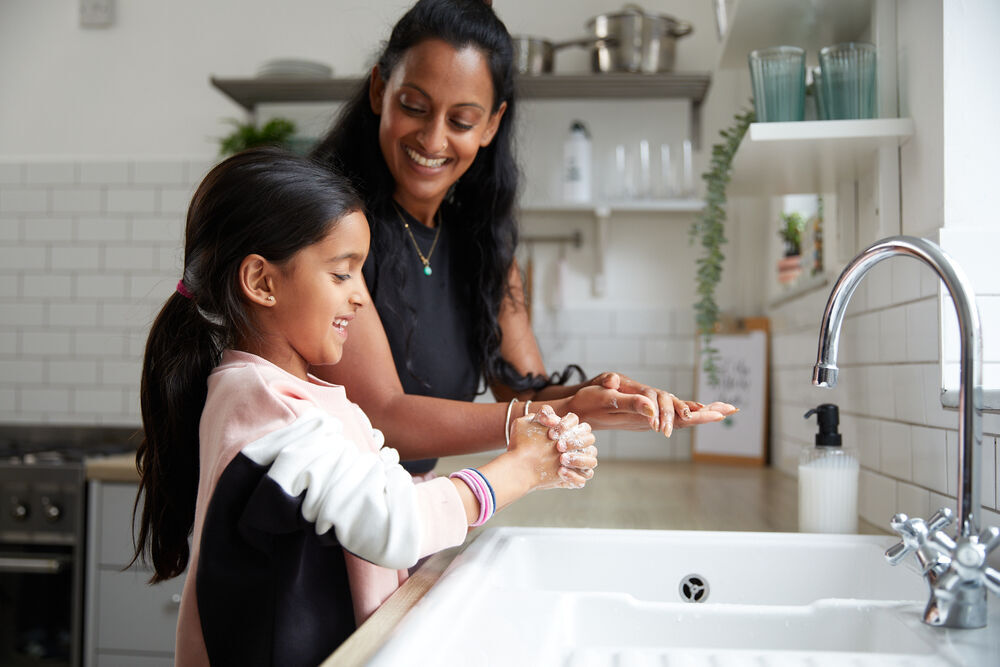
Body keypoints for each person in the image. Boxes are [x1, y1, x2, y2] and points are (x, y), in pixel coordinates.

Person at [131, 147, 597, 666]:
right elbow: (392, 522)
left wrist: (517, 469)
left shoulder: (290, 398)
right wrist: (519, 470)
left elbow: (378, 496)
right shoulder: (269, 408)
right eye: (341, 274)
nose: (359, 296)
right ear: (262, 281)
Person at [309, 0, 736, 475]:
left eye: (462, 121)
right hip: (317, 525)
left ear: (492, 124)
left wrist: (601, 398)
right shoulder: (330, 227)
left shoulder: (481, 247)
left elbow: (525, 391)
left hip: (409, 512)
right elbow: (382, 419)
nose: (432, 140)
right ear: (378, 90)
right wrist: (558, 413)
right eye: (414, 107)